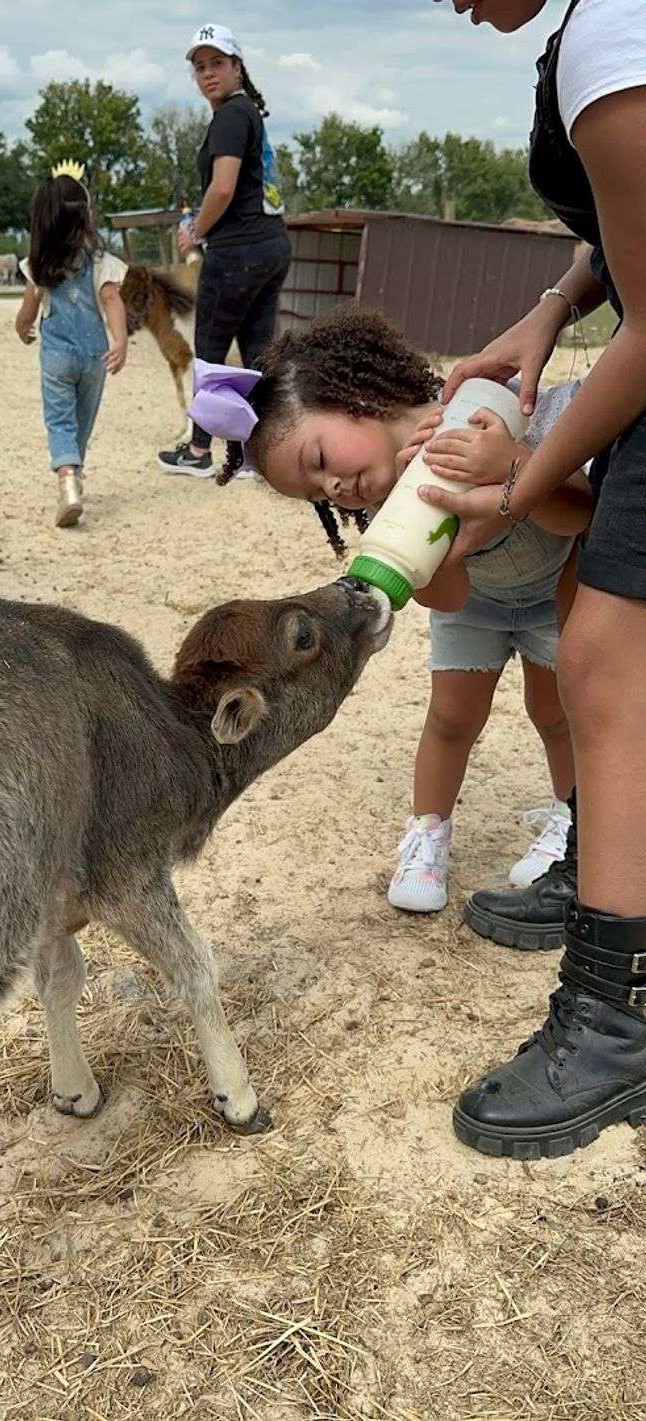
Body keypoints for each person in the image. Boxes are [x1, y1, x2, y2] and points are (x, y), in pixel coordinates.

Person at [408, 0, 646, 1159]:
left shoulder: (613, 36)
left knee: (605, 659)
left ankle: (615, 1013)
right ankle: (610, 884)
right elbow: (619, 243)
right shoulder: (585, 31)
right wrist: (547, 314)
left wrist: (515, 483)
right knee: (592, 637)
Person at [190, 308, 590, 912]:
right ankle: (428, 832)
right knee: (451, 718)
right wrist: (437, 547)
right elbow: (446, 598)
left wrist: (512, 467)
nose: (332, 490)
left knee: (554, 711)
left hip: (555, 592)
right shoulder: (389, 506)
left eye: (320, 461)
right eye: (315, 493)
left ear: (357, 399)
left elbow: (581, 512)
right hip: (476, 607)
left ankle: (573, 824)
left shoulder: (485, 414)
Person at [157, 23, 291, 478]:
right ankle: (258, 452)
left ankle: (198, 451)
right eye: (199, 66)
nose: (208, 73)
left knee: (211, 348)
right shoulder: (249, 113)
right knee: (257, 349)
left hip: (237, 251)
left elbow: (223, 187)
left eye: (217, 63)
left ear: (237, 67)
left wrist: (195, 231)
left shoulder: (231, 117)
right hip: (271, 244)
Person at [16, 162, 128, 528]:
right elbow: (111, 300)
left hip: (56, 357)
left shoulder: (40, 263)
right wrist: (121, 340)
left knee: (59, 418)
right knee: (83, 418)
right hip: (94, 357)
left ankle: (67, 480)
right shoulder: (99, 261)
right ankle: (74, 475)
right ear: (87, 216)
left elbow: (28, 309)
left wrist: (22, 328)